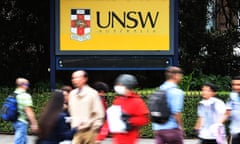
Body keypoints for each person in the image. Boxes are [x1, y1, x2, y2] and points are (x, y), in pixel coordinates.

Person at [107, 74, 149, 144]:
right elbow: (111, 119)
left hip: (129, 138)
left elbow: (144, 119)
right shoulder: (118, 100)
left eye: (120, 85)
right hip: (118, 138)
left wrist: (129, 121)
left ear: (127, 86)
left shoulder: (137, 101)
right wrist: (102, 134)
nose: (117, 87)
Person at [68, 70, 105, 144]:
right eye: (73, 78)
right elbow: (70, 110)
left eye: (77, 77)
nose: (74, 80)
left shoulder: (92, 93)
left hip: (90, 131)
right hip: (76, 130)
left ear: (85, 79)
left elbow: (99, 113)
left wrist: (94, 127)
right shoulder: (72, 94)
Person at [152, 66, 184, 144]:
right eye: (181, 75)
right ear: (176, 76)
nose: (181, 77)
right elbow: (176, 113)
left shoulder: (159, 90)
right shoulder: (176, 92)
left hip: (158, 129)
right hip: (172, 129)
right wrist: (181, 128)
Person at [13, 77, 38, 144]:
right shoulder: (25, 96)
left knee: (23, 140)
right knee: (19, 141)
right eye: (27, 84)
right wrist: (34, 124)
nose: (27, 86)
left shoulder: (14, 94)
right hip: (22, 121)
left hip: (15, 121)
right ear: (24, 85)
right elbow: (28, 111)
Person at [221, 76, 240, 144]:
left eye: (238, 85)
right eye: (234, 85)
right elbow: (227, 113)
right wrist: (218, 124)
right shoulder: (232, 96)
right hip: (236, 133)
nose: (235, 87)